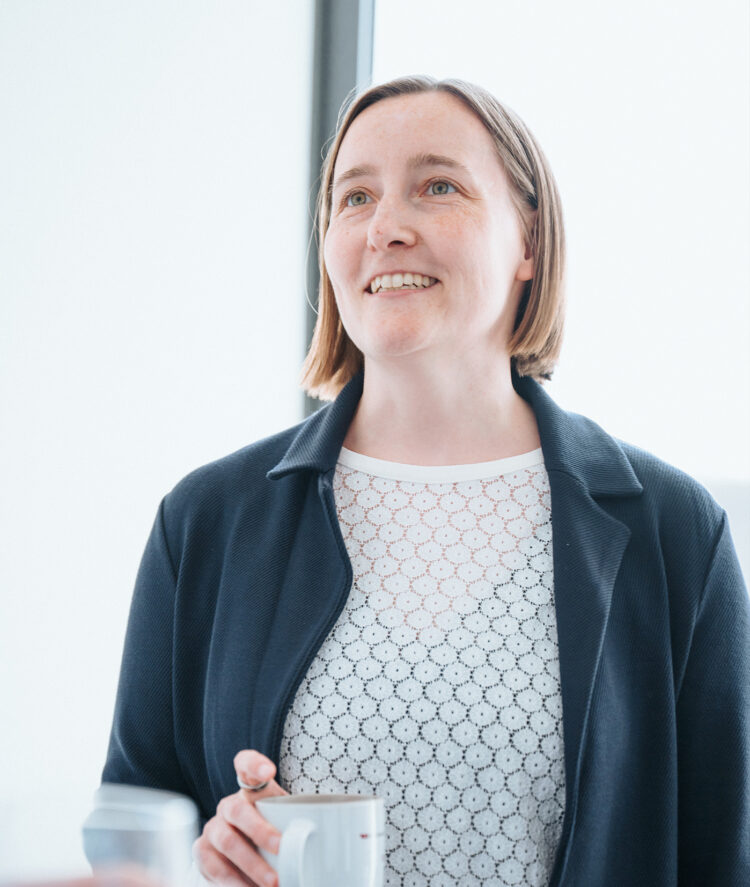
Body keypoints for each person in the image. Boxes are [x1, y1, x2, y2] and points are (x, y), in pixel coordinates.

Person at [98, 75, 750, 887]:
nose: (387, 228)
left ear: (530, 244)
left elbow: (724, 857)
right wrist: (207, 869)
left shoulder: (676, 531)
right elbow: (129, 848)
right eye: (355, 197)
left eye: (437, 186)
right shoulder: (206, 522)